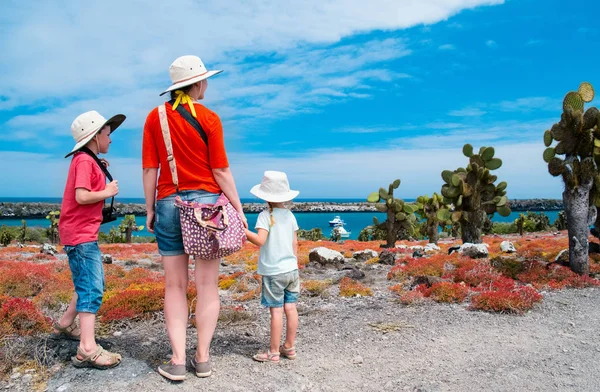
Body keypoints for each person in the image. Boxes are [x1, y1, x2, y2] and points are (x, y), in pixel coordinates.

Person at [142, 55, 247, 381]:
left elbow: (150, 169)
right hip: (207, 209)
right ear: (197, 83)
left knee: (174, 285)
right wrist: (239, 208)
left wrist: (149, 209)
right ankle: (201, 358)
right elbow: (220, 170)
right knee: (207, 285)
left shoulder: (153, 119)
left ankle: (176, 361)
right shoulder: (210, 119)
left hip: (168, 203)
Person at [55, 110, 125, 369]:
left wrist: (99, 170)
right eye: (107, 134)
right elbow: (82, 196)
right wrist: (107, 190)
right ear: (95, 137)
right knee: (92, 288)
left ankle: (65, 323)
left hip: (81, 233)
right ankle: (87, 348)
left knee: (89, 282)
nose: (111, 139)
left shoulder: (86, 159)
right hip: (81, 234)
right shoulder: (84, 161)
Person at [245, 171, 300, 363]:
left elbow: (260, 240)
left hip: (273, 272)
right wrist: (295, 263)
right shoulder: (290, 215)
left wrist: (243, 231)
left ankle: (274, 352)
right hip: (292, 269)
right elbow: (295, 244)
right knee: (291, 308)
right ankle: (289, 348)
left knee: (276, 311)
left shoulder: (264, 215)